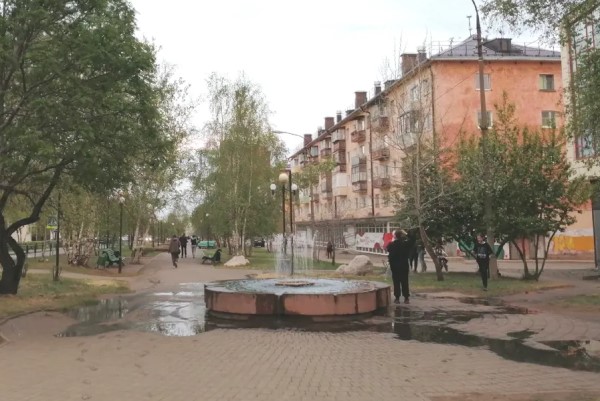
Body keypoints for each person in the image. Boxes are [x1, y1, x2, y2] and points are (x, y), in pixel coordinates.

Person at [386, 229, 415, 304]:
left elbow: (388, 250)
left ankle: (397, 298)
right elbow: (413, 239)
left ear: (395, 236)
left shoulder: (391, 245)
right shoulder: (405, 244)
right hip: (404, 266)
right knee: (405, 281)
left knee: (396, 282)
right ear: (402, 236)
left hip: (394, 267)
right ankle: (406, 298)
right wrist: (406, 234)